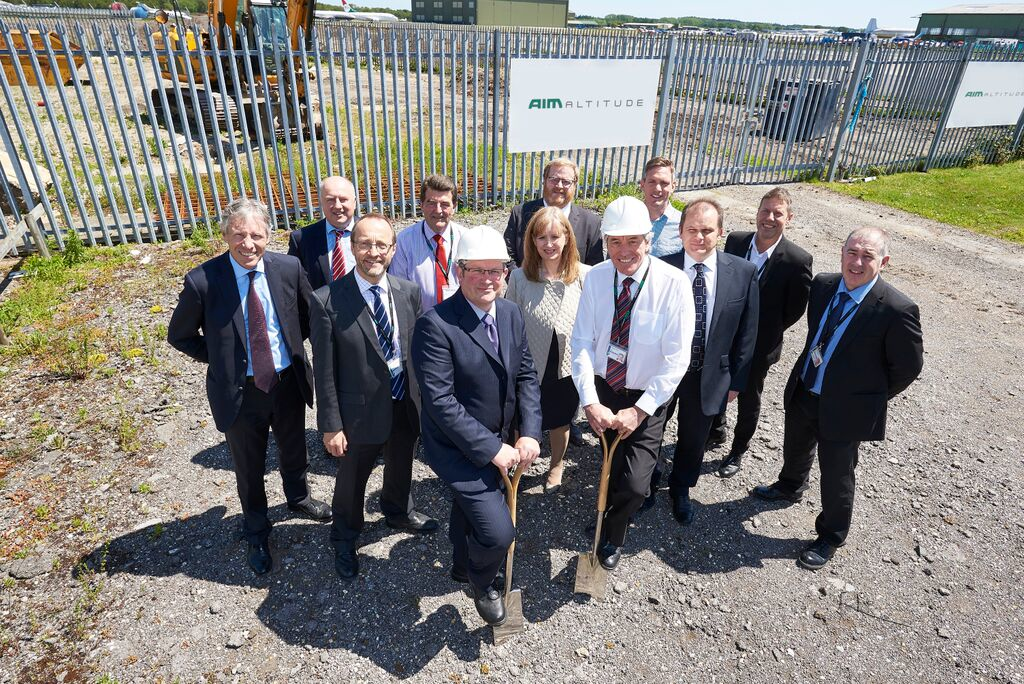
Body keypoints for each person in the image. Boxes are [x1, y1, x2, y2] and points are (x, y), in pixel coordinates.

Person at [167, 198, 331, 575]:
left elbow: (309, 316)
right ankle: (256, 528)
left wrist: (290, 346)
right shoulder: (203, 280)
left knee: (294, 447)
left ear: (268, 235)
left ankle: (298, 497)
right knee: (249, 464)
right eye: (239, 235)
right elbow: (180, 335)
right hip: (240, 392)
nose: (248, 243)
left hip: (287, 382)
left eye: (256, 235)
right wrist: (222, 358)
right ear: (225, 235)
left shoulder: (288, 268)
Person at [753, 226, 924, 570]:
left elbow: (908, 367)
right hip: (806, 388)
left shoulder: (896, 309)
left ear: (883, 262)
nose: (857, 262)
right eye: (852, 253)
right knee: (796, 445)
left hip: (846, 408)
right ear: (842, 252)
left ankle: (831, 534)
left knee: (837, 473)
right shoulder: (823, 285)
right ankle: (790, 486)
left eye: (867, 256)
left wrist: (866, 397)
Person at [411, 226, 542, 627]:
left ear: (506, 272)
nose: (488, 279)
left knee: (468, 511)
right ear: (459, 271)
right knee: (500, 533)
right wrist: (491, 448)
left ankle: (460, 563)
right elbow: (440, 402)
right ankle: (481, 581)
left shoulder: (511, 313)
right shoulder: (435, 325)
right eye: (477, 271)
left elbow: (526, 375)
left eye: (495, 270)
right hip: (457, 448)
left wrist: (529, 430)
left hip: (502, 438)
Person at [308, 213, 439, 581]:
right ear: (353, 247)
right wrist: (331, 425)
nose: (373, 252)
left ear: (393, 249)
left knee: (402, 461)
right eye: (365, 243)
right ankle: (344, 535)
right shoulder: (327, 300)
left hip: (403, 401)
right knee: (352, 479)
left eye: (382, 244)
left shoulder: (407, 291)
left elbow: (415, 351)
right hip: (358, 412)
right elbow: (324, 370)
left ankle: (398, 510)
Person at [570, 196, 694, 571]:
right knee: (610, 464)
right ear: (605, 242)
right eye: (615, 242)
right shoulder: (596, 278)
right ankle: (608, 514)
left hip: (647, 397)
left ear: (648, 240)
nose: (624, 251)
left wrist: (640, 411)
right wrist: (590, 401)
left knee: (637, 483)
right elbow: (581, 342)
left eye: (633, 241)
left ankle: (614, 531)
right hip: (606, 390)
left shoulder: (674, 284)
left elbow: (677, 359)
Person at [661, 199, 759, 525]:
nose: (699, 237)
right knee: (651, 431)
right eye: (692, 230)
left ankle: (681, 488)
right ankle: (645, 484)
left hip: (709, 373)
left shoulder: (743, 273)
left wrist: (737, 381)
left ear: (720, 232)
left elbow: (747, 331)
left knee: (694, 438)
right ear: (680, 231)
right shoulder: (661, 267)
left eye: (707, 230)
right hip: (663, 372)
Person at [716, 187, 812, 478]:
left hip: (760, 344)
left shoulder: (797, 260)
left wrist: (761, 329)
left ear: (789, 218)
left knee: (748, 397)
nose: (769, 218)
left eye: (777, 213)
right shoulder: (736, 241)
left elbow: (795, 309)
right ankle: (716, 430)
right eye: (765, 211)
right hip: (724, 335)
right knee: (715, 383)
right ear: (757, 212)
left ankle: (737, 450)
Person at [505, 207, 591, 493]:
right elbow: (509, 320)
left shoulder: (584, 275)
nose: (549, 244)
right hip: (529, 364)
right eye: (541, 237)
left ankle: (556, 464)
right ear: (532, 240)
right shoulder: (520, 277)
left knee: (560, 420)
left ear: (567, 237)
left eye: (555, 236)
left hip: (565, 364)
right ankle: (519, 464)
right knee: (522, 418)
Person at [503, 157, 603, 267]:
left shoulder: (591, 223)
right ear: (544, 180)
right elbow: (507, 256)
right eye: (554, 179)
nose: (559, 185)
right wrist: (520, 277)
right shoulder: (520, 214)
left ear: (575, 185)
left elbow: (595, 267)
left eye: (566, 182)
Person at [390, 174, 468, 312]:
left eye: (444, 204)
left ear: (454, 206)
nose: (438, 210)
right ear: (421, 205)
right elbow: (398, 290)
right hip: (420, 319)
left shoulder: (466, 238)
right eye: (431, 203)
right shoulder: (405, 241)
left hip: (462, 317)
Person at [288, 176, 358, 290]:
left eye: (343, 199)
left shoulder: (373, 231)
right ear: (321, 203)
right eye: (330, 200)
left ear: (354, 202)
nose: (337, 206)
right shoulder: (302, 239)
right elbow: (292, 281)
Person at [641, 156, 683, 258]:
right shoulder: (628, 218)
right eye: (652, 182)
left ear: (673, 186)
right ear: (642, 184)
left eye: (664, 183)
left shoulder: (683, 224)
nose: (657, 189)